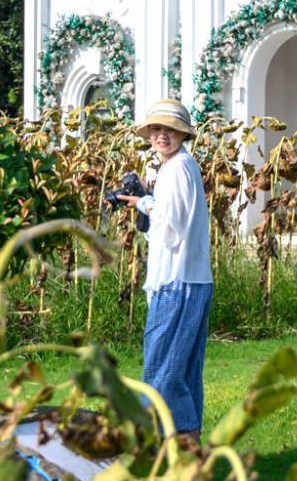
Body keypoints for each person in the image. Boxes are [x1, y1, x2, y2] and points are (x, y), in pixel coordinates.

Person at [130, 99, 212, 443]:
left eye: (170, 130)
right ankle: (190, 454)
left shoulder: (176, 169)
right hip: (191, 281)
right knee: (183, 373)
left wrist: (143, 203)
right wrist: (149, 204)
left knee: (162, 373)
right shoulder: (182, 166)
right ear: (149, 134)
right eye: (157, 129)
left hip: (177, 283)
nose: (162, 135)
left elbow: (172, 224)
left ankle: (164, 450)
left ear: (182, 134)